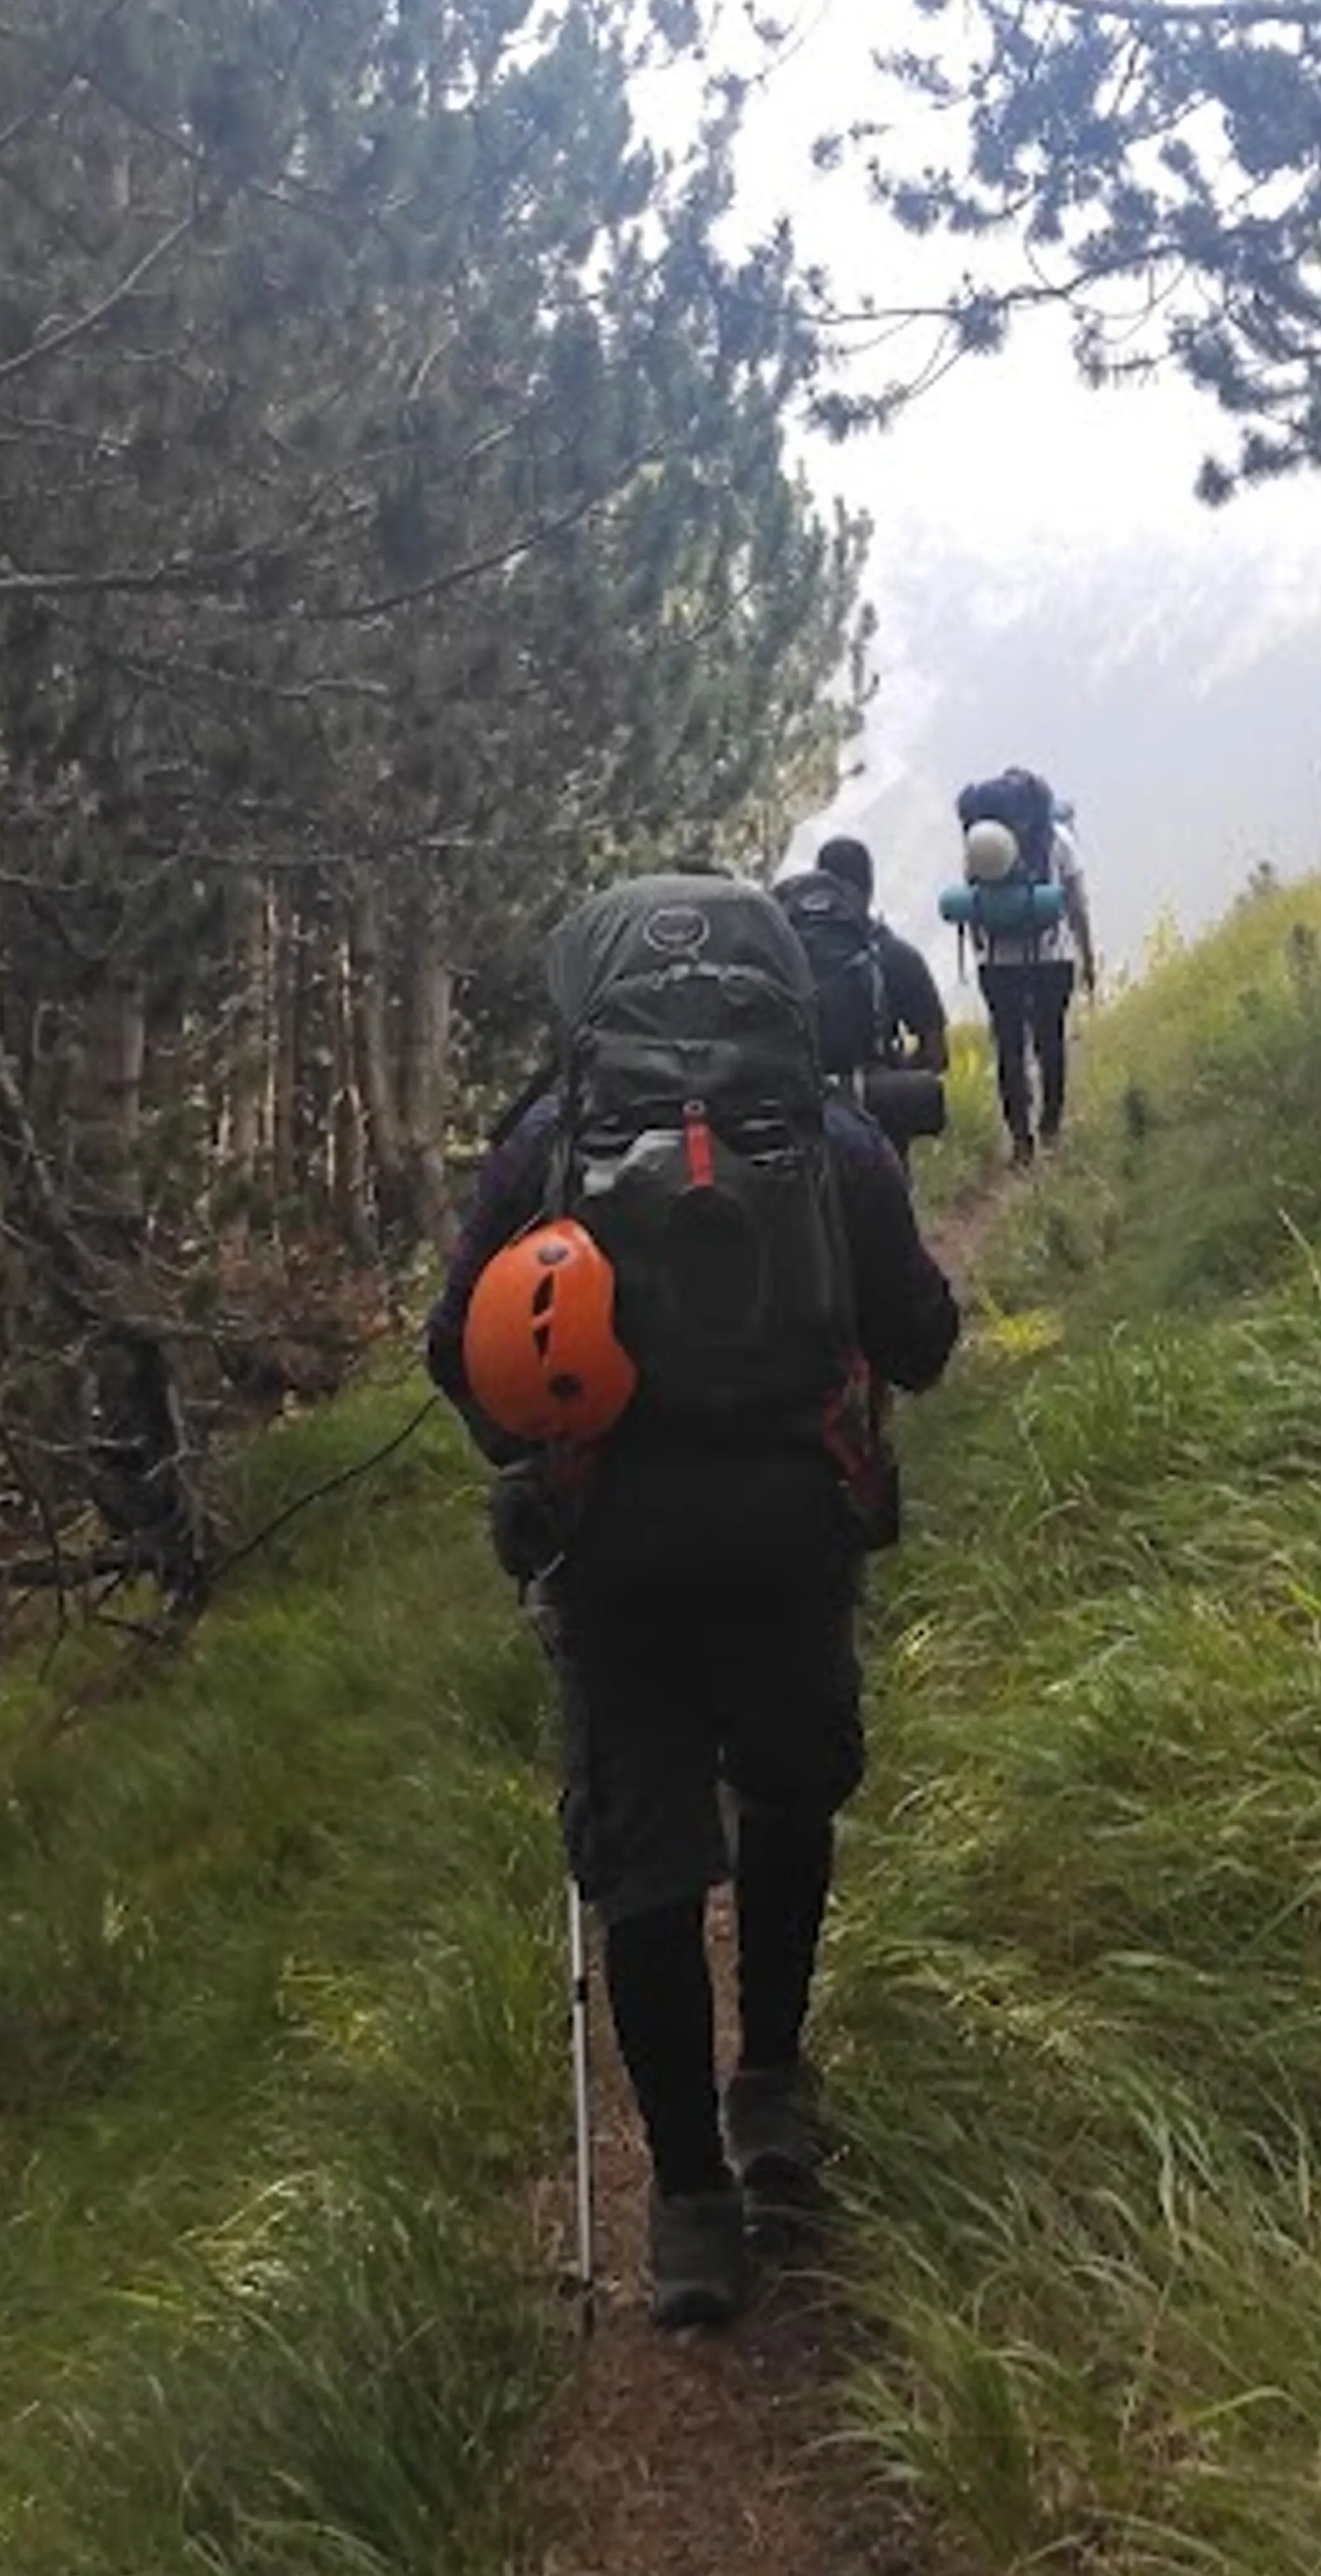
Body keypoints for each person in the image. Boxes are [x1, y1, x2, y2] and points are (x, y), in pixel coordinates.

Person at [426, 872, 960, 2333]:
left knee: (649, 1875)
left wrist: (546, 1445)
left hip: (614, 1570)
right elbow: (919, 1339)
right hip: (793, 1542)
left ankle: (686, 2211)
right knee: (788, 1803)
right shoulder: (827, 1131)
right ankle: (771, 2087)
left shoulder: (551, 1142)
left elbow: (458, 1360)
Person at [969, 787, 1097, 1164]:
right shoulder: (1058, 839)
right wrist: (1087, 956)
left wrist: (986, 948)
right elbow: (1077, 902)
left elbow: (974, 909)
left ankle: (1020, 1140)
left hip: (997, 965)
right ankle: (1052, 1129)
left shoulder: (981, 840)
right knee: (1051, 1042)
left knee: (1009, 1049)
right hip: (1052, 959)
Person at [810, 835, 949, 1080]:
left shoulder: (787, 950)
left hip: (799, 1101)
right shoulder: (898, 955)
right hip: (875, 1097)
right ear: (870, 887)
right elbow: (937, 1056)